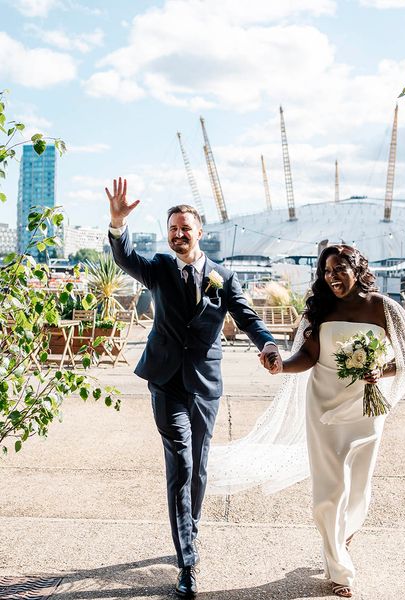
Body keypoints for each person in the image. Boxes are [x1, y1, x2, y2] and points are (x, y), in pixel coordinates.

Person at [105, 177, 282, 598]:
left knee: (199, 468)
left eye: (185, 228)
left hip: (205, 385)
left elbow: (248, 316)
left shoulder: (222, 275)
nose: (178, 234)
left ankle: (191, 528)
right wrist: (117, 223)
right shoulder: (160, 269)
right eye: (173, 228)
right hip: (166, 381)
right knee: (181, 464)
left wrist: (269, 344)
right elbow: (125, 257)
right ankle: (187, 561)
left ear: (199, 233)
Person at [265, 244, 405, 597]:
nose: (332, 276)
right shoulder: (321, 308)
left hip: (367, 407)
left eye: (339, 268)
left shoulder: (384, 307)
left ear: (357, 268)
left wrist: (382, 368)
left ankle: (343, 534)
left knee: (358, 486)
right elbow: (307, 355)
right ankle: (339, 570)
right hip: (323, 404)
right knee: (329, 491)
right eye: (326, 271)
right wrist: (281, 366)